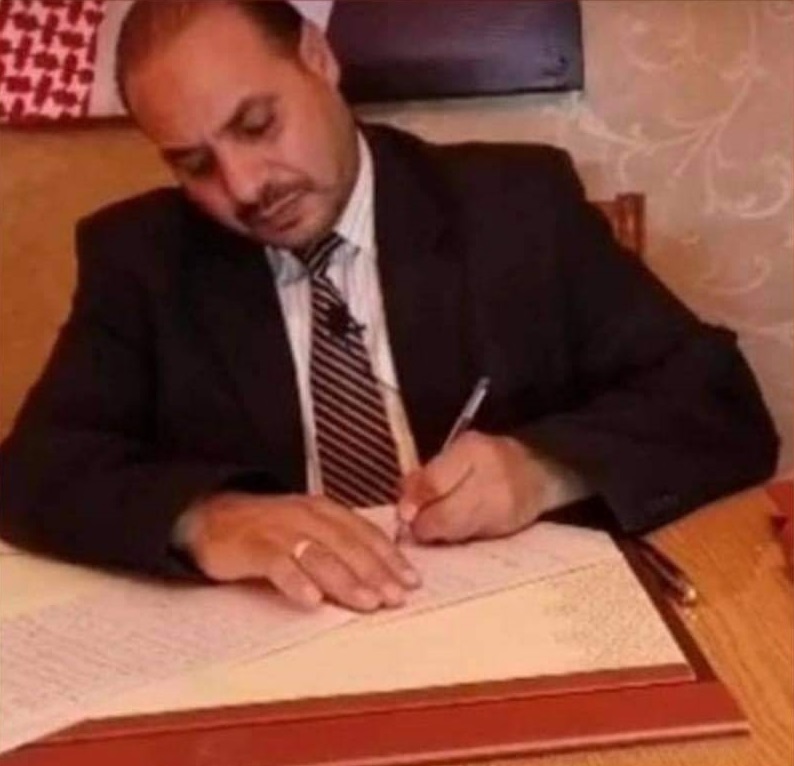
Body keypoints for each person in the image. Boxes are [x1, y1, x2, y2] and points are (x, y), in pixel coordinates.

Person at [0, 0, 779, 614]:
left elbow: (717, 400)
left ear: (318, 58)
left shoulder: (518, 204)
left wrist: (545, 469)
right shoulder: (141, 258)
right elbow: (35, 471)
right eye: (195, 164)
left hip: (512, 628)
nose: (243, 187)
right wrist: (205, 518)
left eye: (257, 125)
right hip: (279, 643)